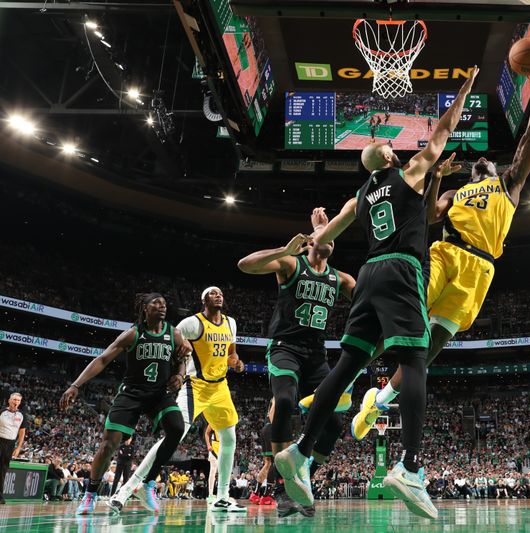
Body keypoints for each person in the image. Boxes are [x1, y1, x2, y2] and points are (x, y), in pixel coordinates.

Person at [274, 66, 480, 520]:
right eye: (389, 145)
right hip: (401, 270)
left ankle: (302, 450)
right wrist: (462, 92)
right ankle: (409, 465)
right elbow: (443, 131)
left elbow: (326, 235)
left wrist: (315, 230)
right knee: (414, 360)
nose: (394, 144)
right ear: (387, 159)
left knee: (348, 364)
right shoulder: (407, 173)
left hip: (367, 274)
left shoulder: (359, 196)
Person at [348, 63, 530, 439]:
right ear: (473, 171)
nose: (483, 159)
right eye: (479, 161)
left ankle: (379, 401)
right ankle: (348, 375)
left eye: (488, 159)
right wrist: (437, 180)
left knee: (428, 349)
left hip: (479, 272)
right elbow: (426, 218)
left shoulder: (509, 185)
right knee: (401, 318)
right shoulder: (456, 193)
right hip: (444, 254)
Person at [238, 209, 357, 518]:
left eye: (332, 233)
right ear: (308, 243)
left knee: (333, 421)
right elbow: (245, 265)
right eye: (322, 233)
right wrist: (284, 250)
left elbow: (369, 300)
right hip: (285, 349)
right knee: (286, 401)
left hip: (317, 356)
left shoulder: (341, 278)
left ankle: (302, 480)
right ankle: (280, 487)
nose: (329, 236)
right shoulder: (292, 264)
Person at [111, 286, 246, 513]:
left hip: (221, 387)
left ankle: (222, 496)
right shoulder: (191, 324)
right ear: (203, 300)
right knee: (174, 436)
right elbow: (170, 346)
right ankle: (128, 488)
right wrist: (176, 372)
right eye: (213, 293)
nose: (219, 295)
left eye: (221, 293)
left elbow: (231, 353)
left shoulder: (231, 322)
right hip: (196, 386)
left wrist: (236, 362)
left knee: (229, 438)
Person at [60, 293, 189, 515]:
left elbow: (183, 358)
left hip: (159, 395)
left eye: (164, 304)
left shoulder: (174, 333)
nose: (162, 306)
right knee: (109, 445)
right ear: (144, 309)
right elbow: (102, 359)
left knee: (177, 428)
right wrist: (76, 385)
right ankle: (90, 493)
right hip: (132, 394)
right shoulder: (133, 334)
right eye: (156, 303)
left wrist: (180, 374)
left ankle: (148, 484)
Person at [0, 392, 27, 504]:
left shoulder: (22, 415)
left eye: (18, 400)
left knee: (3, 470)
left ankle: (0, 496)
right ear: (9, 400)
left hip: (10, 444)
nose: (16, 402)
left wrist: (18, 447)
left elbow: (22, 432)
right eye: (14, 400)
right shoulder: (1, 411)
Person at [205, 424, 220, 502]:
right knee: (213, 470)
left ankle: (221, 494)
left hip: (223, 446)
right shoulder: (213, 421)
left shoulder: (227, 420)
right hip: (214, 446)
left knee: (222, 472)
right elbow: (207, 433)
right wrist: (208, 445)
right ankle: (210, 494)